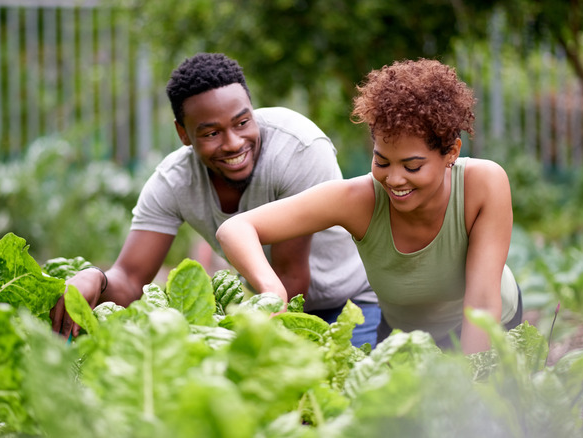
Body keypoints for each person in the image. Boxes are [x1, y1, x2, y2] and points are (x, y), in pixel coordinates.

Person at [50, 52, 380, 347]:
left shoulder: (298, 148)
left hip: (355, 305)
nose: (234, 143)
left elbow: (291, 281)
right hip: (270, 307)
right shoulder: (174, 181)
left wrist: (234, 345)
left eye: (242, 122)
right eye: (211, 133)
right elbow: (131, 279)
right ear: (184, 135)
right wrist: (95, 277)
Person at [216, 58, 522, 354]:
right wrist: (272, 289)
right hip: (407, 339)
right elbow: (235, 229)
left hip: (493, 330)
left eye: (412, 166)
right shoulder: (359, 200)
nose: (395, 179)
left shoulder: (483, 184)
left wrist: (472, 384)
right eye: (382, 161)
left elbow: (481, 306)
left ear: (451, 152)